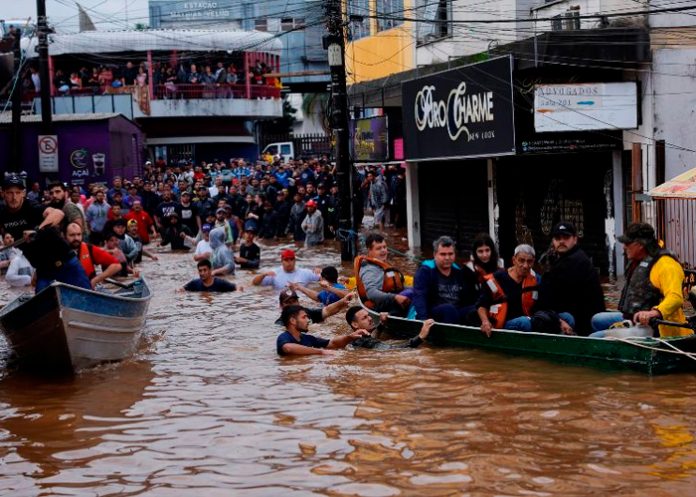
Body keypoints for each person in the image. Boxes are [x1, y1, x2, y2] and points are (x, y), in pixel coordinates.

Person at [590, 223, 691, 338]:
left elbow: (676, 298)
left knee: (594, 337)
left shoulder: (666, 265)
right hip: (634, 318)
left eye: (627, 243)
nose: (624, 247)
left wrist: (654, 313)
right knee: (596, 319)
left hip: (656, 327)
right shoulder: (638, 261)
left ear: (640, 245)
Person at [476, 244, 574, 336]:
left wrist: (560, 321)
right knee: (524, 322)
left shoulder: (536, 280)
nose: (525, 265)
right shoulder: (496, 279)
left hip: (532, 319)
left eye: (529, 261)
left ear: (533, 261)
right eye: (521, 260)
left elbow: (545, 306)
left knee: (567, 317)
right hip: (504, 324)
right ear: (514, 260)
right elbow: (481, 305)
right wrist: (485, 322)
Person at [536, 222, 605, 335]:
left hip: (582, 326)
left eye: (566, 237)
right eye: (558, 238)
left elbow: (549, 296)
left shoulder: (574, 261)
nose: (561, 241)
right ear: (553, 241)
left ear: (575, 240)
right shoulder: (568, 258)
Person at [413, 236, 478, 324]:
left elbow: (468, 297)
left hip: (456, 311)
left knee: (476, 309)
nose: (447, 258)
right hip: (434, 314)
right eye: (443, 254)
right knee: (448, 309)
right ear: (435, 254)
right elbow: (419, 295)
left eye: (450, 254)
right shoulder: (425, 271)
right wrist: (423, 320)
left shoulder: (459, 272)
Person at [276, 304, 369, 356]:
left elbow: (333, 343)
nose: (308, 320)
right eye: (304, 317)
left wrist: (350, 337)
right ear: (292, 321)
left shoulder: (308, 339)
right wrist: (320, 351)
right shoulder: (284, 337)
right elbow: (288, 348)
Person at [354, 233, 409, 316]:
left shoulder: (382, 264)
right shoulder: (369, 270)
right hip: (380, 306)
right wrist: (395, 297)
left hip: (390, 301)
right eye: (378, 248)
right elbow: (371, 293)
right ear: (369, 250)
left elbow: (398, 287)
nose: (383, 250)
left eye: (384, 247)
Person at [346, 306, 435, 349]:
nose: (370, 318)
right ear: (355, 325)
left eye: (368, 315)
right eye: (364, 318)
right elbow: (394, 350)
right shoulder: (364, 341)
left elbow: (373, 340)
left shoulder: (358, 339)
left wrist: (381, 325)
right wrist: (420, 337)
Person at [65, 222, 122, 289]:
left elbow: (117, 265)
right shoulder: (57, 252)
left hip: (88, 291)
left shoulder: (89, 249)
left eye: (79, 234)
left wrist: (95, 280)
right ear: (64, 235)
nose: (76, 238)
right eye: (72, 235)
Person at [275, 287, 353, 326]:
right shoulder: (280, 323)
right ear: (281, 306)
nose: (292, 305)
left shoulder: (307, 312)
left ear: (298, 302)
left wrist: (342, 301)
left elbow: (327, 311)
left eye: (294, 301)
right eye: (288, 302)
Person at [252, 249, 320, 291]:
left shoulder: (305, 272)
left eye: (291, 259)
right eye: (286, 260)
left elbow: (325, 277)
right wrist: (263, 275)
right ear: (281, 261)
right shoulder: (274, 273)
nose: (289, 262)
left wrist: (320, 270)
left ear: (295, 261)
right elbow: (255, 283)